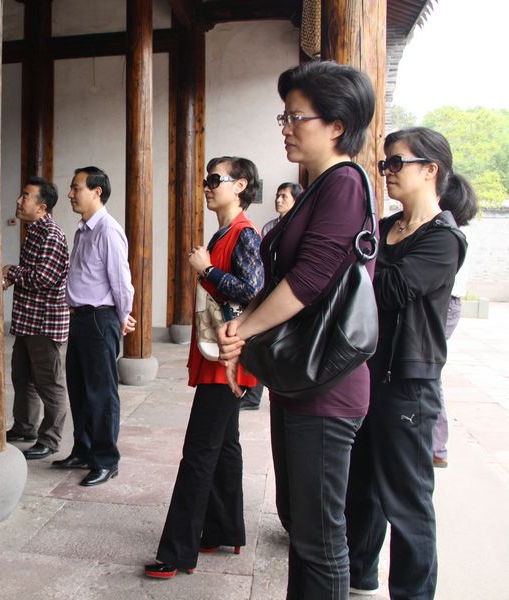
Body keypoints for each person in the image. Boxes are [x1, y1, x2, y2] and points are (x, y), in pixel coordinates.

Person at [217, 60, 377, 599]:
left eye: (296, 117)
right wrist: (246, 333)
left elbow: (309, 280)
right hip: (300, 379)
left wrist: (241, 329)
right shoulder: (318, 187)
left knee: (321, 540)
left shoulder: (344, 183)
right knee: (302, 531)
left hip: (327, 388)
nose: (285, 127)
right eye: (283, 116)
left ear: (337, 125)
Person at [345, 127, 474, 599]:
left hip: (408, 383)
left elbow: (391, 289)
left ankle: (413, 593)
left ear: (431, 169)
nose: (387, 172)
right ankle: (359, 575)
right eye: (385, 164)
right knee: (360, 484)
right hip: (365, 373)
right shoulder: (383, 229)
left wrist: (356, 268)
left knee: (407, 499)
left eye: (397, 162)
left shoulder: (444, 239)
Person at [144, 156, 264, 579]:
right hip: (222, 355)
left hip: (227, 358)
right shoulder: (225, 232)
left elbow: (252, 290)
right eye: (207, 180)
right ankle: (224, 528)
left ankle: (177, 552)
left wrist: (207, 268)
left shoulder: (244, 233)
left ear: (240, 185)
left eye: (215, 179)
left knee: (198, 452)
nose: (208, 186)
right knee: (224, 445)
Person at [53, 166, 135, 487]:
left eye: (76, 188)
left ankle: (106, 460)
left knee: (101, 394)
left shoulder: (108, 230)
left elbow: (121, 281)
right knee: (79, 389)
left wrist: (122, 316)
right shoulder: (83, 230)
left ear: (96, 191)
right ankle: (83, 450)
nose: (70, 194)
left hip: (100, 319)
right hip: (80, 319)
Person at [3, 177, 71, 460]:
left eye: (26, 196)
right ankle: (25, 427)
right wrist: (15, 274)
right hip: (28, 322)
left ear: (42, 207)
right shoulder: (34, 231)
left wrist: (11, 272)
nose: (19, 201)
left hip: (44, 324)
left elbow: (44, 278)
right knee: (22, 378)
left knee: (49, 385)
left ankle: (50, 440)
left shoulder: (50, 235)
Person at [241, 181, 303, 411]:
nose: (278, 200)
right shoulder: (269, 227)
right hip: (268, 290)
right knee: (260, 342)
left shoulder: (300, 227)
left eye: (284, 196)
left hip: (289, 295)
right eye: (277, 195)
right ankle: (253, 395)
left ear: (296, 200)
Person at [433, 261, 467, 468]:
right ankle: (436, 447)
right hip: (443, 297)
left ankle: (436, 448)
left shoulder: (448, 239)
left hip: (446, 300)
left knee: (429, 371)